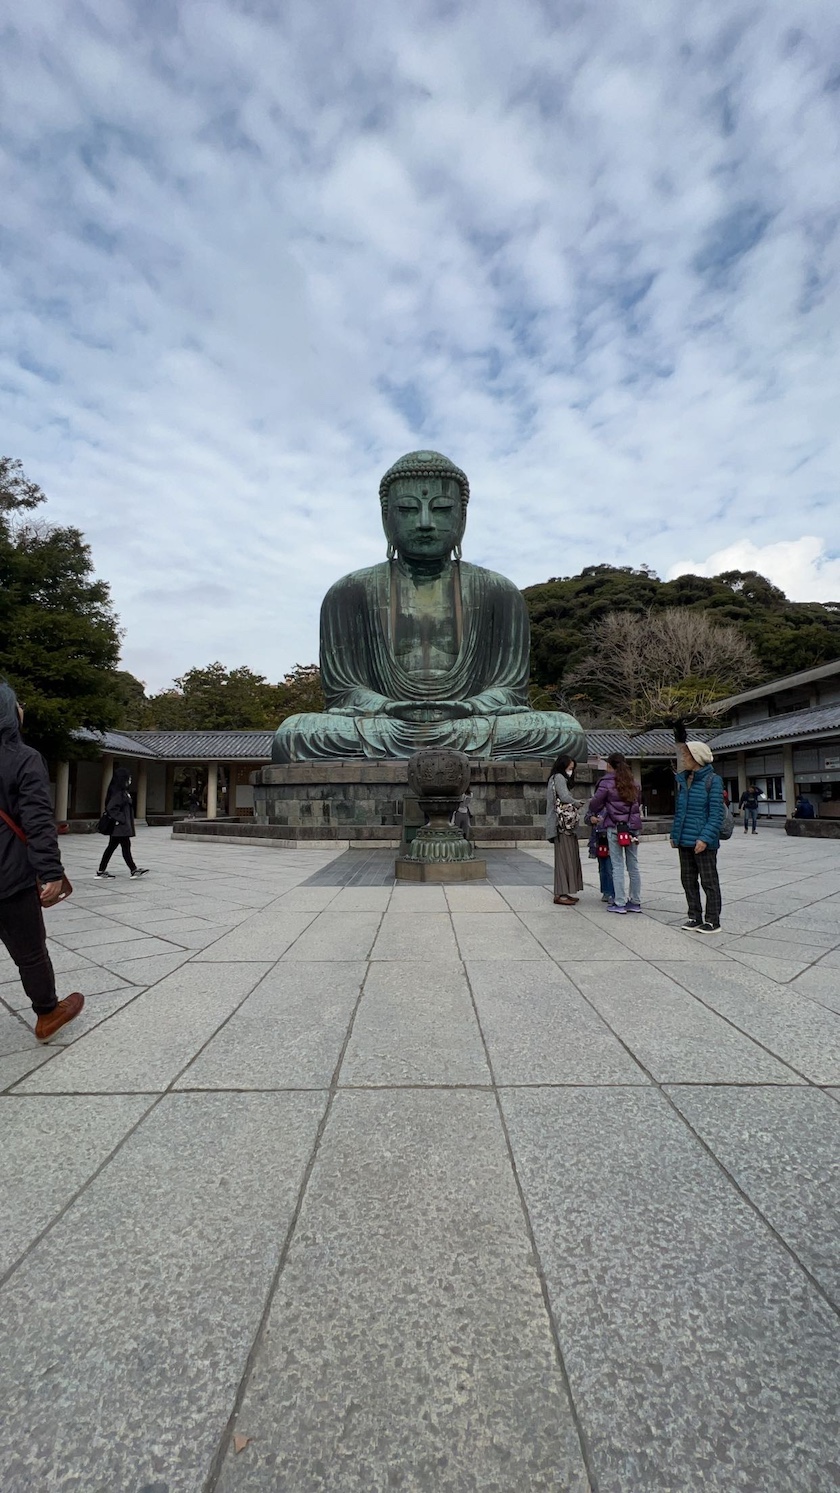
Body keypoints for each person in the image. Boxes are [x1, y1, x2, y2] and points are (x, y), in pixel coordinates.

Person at [0, 680, 85, 1041]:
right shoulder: (22, 758)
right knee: (30, 952)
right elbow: (36, 820)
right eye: (18, 703)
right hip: (9, 877)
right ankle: (48, 1013)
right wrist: (50, 870)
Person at [672, 740, 726, 933]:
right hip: (684, 839)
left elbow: (716, 814)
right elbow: (680, 811)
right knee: (688, 880)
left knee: (709, 881)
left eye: (687, 755)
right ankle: (694, 916)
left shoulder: (713, 780)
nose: (683, 759)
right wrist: (674, 835)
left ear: (697, 758)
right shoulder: (683, 780)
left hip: (703, 841)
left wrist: (704, 838)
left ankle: (713, 920)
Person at [588, 752, 643, 914]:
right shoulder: (633, 782)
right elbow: (639, 801)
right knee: (633, 865)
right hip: (632, 827)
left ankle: (619, 902)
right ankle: (635, 900)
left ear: (609, 765)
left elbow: (595, 803)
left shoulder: (606, 782)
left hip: (615, 826)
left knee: (617, 865)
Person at [96, 766, 149, 878]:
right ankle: (133, 870)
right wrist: (122, 819)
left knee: (112, 847)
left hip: (119, 827)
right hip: (120, 827)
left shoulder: (122, 792)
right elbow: (111, 808)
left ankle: (101, 871)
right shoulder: (119, 794)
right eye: (128, 778)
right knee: (124, 847)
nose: (130, 780)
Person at [546, 755, 584, 906]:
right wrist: (577, 802)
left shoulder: (554, 778)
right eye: (569, 769)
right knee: (564, 858)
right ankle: (560, 894)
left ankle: (564, 891)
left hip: (561, 824)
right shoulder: (559, 778)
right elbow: (564, 796)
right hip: (562, 825)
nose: (571, 772)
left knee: (566, 857)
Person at [584, 807, 615, 902]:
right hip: (598, 840)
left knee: (610, 868)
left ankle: (612, 893)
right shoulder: (595, 805)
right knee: (602, 868)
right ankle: (605, 891)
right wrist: (591, 819)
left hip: (609, 838)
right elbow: (586, 818)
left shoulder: (612, 803)